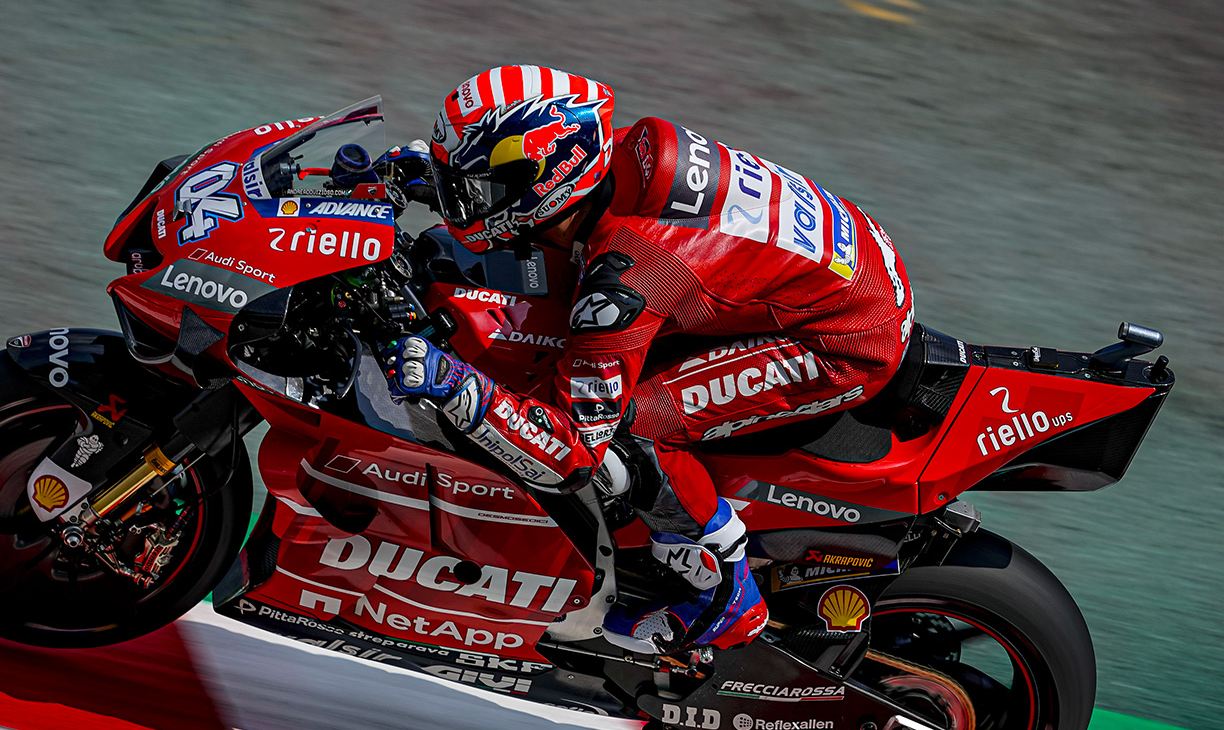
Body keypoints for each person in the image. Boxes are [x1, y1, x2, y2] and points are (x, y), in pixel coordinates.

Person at [381, 64, 915, 656]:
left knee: (625, 429)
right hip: (845, 268)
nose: (463, 198)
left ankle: (719, 588)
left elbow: (573, 448)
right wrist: (434, 174)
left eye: (478, 185)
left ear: (550, 176)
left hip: (841, 340)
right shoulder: (622, 154)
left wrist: (457, 384)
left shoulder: (628, 280)